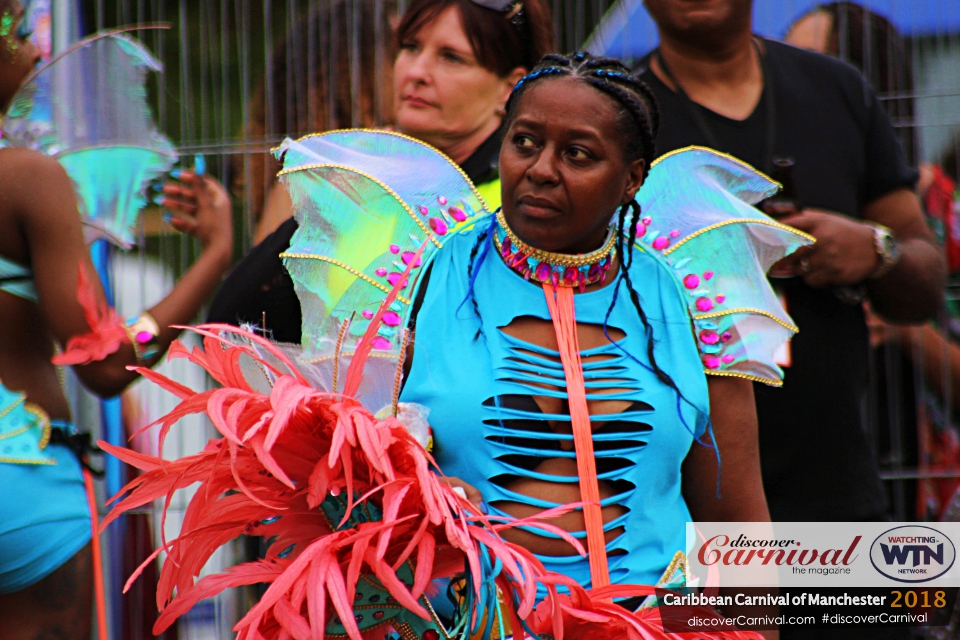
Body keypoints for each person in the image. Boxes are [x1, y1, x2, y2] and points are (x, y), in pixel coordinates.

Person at [106, 51, 809, 639]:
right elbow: (342, 492)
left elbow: (736, 512)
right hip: (468, 621)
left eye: (579, 154)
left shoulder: (688, 291)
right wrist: (416, 504)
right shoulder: (415, 271)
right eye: (525, 142)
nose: (540, 169)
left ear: (633, 180)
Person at [634, 1, 945, 637]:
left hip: (842, 521)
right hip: (685, 522)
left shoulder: (836, 89)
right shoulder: (620, 113)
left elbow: (924, 280)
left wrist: (874, 250)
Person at [0, 2, 233, 638]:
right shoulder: (26, 180)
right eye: (21, 34)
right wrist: (213, 253)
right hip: (19, 483)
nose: (38, 52)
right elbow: (104, 363)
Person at [200, 0, 555, 344]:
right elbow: (235, 327)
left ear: (510, 87)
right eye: (410, 47)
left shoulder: (525, 200)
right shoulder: (359, 172)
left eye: (451, 58)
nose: (416, 72)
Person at [241, 0, 397, 244]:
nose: (417, 68)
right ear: (354, 76)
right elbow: (265, 278)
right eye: (405, 49)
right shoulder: (310, 180)